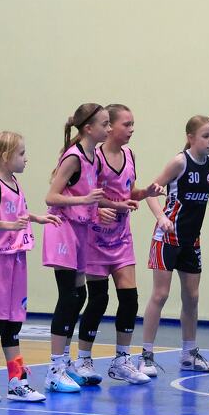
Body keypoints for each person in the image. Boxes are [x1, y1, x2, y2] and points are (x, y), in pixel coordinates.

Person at [0, 131, 60, 402]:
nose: (26, 158)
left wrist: (37, 218)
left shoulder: (14, 182)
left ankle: (17, 382)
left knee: (13, 324)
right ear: (5, 157)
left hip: (16, 258)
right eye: (22, 153)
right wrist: (8, 225)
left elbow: (18, 213)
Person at [75, 104, 164, 385]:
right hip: (96, 238)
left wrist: (145, 192)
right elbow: (86, 194)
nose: (131, 129)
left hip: (121, 238)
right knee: (98, 299)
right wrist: (106, 207)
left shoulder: (129, 155)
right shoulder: (95, 158)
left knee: (129, 299)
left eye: (132, 123)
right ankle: (83, 359)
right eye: (127, 124)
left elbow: (129, 191)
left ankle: (122, 360)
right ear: (109, 126)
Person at [139, 115, 209, 376]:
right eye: (206, 136)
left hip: (191, 240)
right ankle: (146, 355)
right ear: (190, 137)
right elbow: (150, 193)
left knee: (192, 297)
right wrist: (161, 217)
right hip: (167, 237)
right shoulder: (179, 162)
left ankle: (188, 354)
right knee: (160, 295)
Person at [43, 103, 113, 393]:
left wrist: (98, 210)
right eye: (105, 124)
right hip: (62, 229)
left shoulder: (94, 157)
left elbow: (85, 195)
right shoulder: (73, 157)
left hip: (80, 229)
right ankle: (54, 369)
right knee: (69, 297)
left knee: (80, 295)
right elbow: (51, 196)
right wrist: (84, 202)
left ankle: (66, 361)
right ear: (88, 128)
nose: (109, 129)